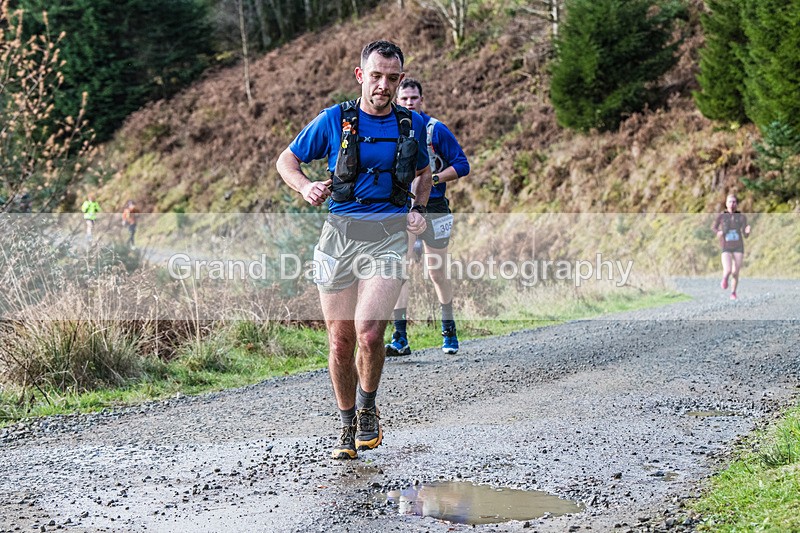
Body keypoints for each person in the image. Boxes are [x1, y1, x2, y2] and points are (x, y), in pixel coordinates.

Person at [276, 40, 432, 460]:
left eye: (392, 78)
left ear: (400, 80)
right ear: (361, 76)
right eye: (376, 76)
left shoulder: (411, 124)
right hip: (339, 235)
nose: (384, 85)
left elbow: (423, 173)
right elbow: (286, 161)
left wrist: (417, 208)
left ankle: (367, 406)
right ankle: (346, 423)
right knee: (341, 341)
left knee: (368, 331)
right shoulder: (333, 120)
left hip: (388, 236)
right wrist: (306, 185)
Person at [386, 78, 470, 356]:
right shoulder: (390, 130)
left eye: (414, 98)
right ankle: (400, 337)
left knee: (437, 272)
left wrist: (433, 178)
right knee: (400, 270)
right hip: (403, 209)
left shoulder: (436, 130)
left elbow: (462, 164)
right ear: (397, 101)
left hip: (434, 209)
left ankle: (448, 330)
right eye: (404, 99)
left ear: (422, 100)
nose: (409, 103)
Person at [712, 193, 751, 300]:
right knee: (728, 270)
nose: (732, 204)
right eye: (730, 201)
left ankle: (733, 292)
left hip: (738, 246)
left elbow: (745, 234)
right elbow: (714, 227)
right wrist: (718, 232)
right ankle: (724, 279)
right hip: (726, 246)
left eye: (734, 202)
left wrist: (747, 232)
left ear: (737, 204)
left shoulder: (742, 217)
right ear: (726, 203)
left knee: (736, 272)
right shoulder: (721, 216)